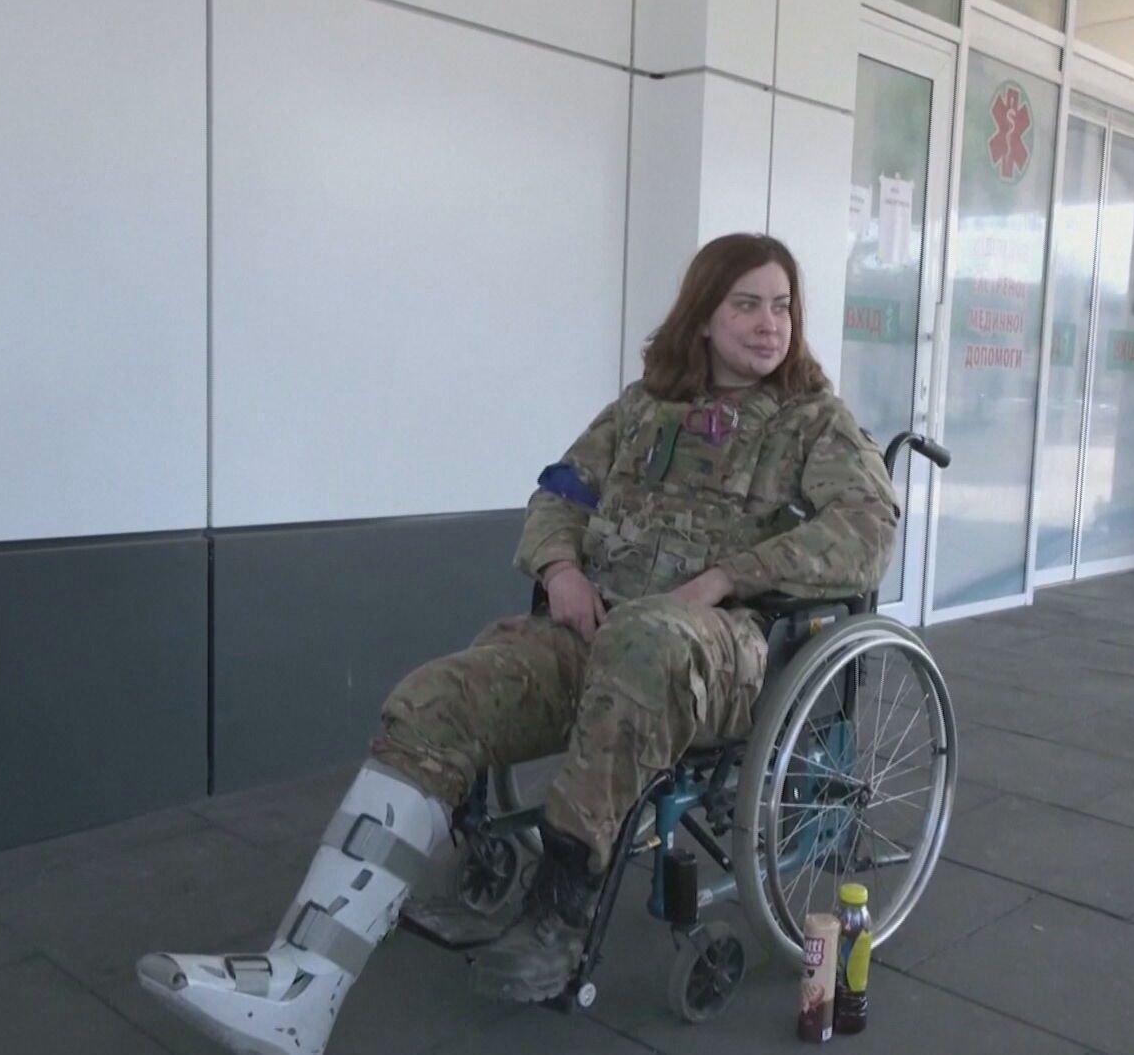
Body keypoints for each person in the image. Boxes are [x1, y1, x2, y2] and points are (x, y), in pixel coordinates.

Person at [137, 233, 900, 1055]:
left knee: (645, 641)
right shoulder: (643, 408)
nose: (768, 323)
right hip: (601, 630)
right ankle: (301, 982)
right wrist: (560, 567)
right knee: (436, 700)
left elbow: (868, 528)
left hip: (725, 653)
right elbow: (559, 493)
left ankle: (562, 909)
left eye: (781, 306)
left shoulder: (813, 422)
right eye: (746, 304)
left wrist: (724, 578)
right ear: (704, 316)